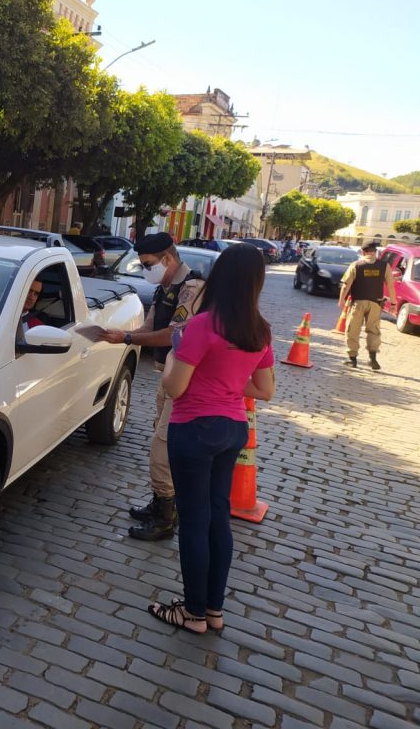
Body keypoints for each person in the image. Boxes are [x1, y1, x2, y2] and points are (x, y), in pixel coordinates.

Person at [149, 243, 275, 633]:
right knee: (218, 517)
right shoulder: (260, 330)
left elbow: (175, 387)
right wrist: (230, 383)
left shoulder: (204, 325)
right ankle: (213, 610)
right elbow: (264, 389)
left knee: (194, 521)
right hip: (232, 430)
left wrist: (173, 355)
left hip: (195, 428)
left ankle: (193, 612)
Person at [96, 232, 205, 540]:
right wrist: (114, 334)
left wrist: (127, 338)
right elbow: (149, 327)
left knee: (163, 446)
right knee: (161, 438)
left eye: (148, 264)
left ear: (168, 259)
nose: (146, 270)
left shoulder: (191, 288)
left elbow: (172, 335)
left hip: (185, 379)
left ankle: (165, 519)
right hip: (166, 373)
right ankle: (161, 504)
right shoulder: (165, 288)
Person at [338, 241, 397, 370]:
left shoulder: (356, 265)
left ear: (363, 252)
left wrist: (341, 300)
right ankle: (373, 358)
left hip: (358, 303)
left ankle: (352, 359)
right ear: (375, 252)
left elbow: (346, 284)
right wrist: (393, 303)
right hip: (376, 303)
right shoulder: (384, 266)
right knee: (373, 330)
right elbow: (391, 286)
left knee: (352, 330)